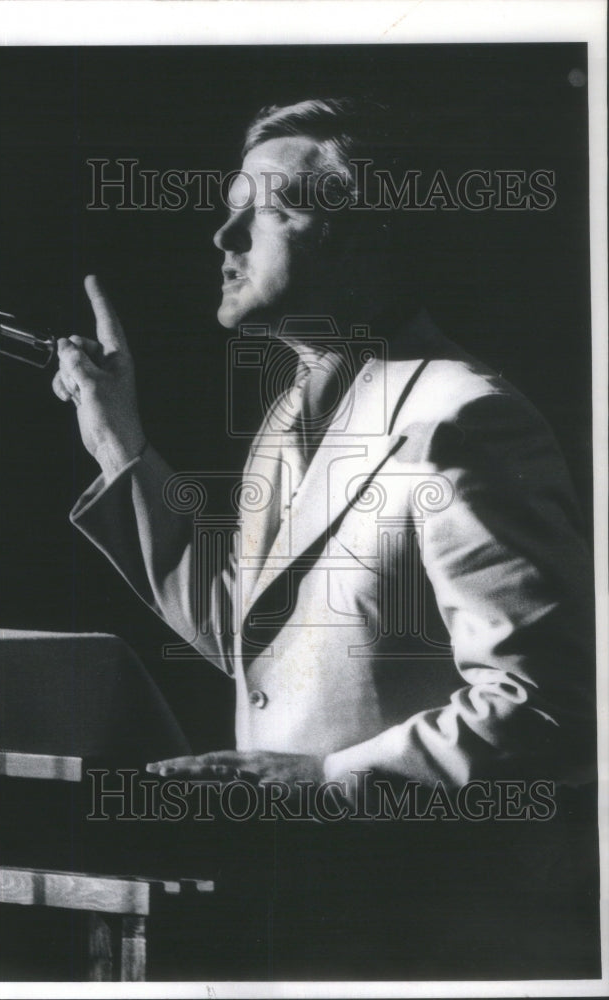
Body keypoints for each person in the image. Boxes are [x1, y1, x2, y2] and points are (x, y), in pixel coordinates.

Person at [53, 98, 594, 806]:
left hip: (422, 895)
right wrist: (115, 441)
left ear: (366, 235)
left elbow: (553, 705)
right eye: (230, 207)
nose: (225, 236)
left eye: (270, 209)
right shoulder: (288, 422)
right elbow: (253, 641)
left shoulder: (466, 419)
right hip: (303, 880)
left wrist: (329, 780)